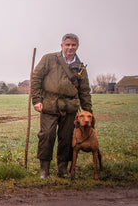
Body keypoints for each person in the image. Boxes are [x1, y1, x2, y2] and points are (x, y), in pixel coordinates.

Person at [31, 33, 92, 178]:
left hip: (70, 107)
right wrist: (36, 100)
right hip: (49, 104)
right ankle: (44, 170)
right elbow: (36, 79)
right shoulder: (49, 59)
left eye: (73, 45)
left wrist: (88, 111)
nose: (70, 48)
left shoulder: (80, 67)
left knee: (67, 138)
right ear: (62, 45)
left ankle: (62, 169)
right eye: (67, 45)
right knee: (46, 135)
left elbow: (84, 91)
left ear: (77, 46)